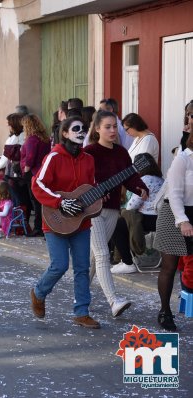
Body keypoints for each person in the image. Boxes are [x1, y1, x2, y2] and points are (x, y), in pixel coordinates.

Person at [30, 116, 100, 329]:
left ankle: (82, 312)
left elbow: (91, 186)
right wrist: (60, 202)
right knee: (59, 265)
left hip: (81, 221)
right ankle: (38, 292)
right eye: (76, 129)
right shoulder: (54, 157)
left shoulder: (88, 159)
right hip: (55, 220)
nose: (81, 132)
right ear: (65, 133)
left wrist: (98, 196)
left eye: (84, 129)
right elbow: (38, 184)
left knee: (82, 268)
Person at [84, 110, 149, 318]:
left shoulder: (121, 152)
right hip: (92, 211)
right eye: (107, 127)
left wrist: (140, 187)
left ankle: (80, 297)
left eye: (115, 126)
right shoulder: (89, 152)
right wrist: (93, 190)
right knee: (103, 254)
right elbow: (82, 181)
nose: (113, 130)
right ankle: (114, 301)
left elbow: (130, 175)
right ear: (97, 129)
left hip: (112, 209)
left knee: (95, 258)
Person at [153, 132, 193, 331]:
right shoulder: (183, 158)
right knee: (169, 266)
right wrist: (183, 221)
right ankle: (165, 311)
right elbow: (175, 193)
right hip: (174, 214)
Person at [110, 153, 164, 274]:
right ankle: (123, 260)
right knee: (121, 221)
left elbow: (131, 205)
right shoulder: (161, 180)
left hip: (147, 219)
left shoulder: (144, 180)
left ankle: (127, 262)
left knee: (117, 225)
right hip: (160, 219)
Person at [20, 114, 51, 237]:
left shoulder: (32, 139)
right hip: (42, 171)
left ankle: (39, 227)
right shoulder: (44, 138)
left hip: (33, 173)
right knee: (41, 201)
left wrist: (26, 171)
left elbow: (30, 157)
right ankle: (44, 226)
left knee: (36, 201)